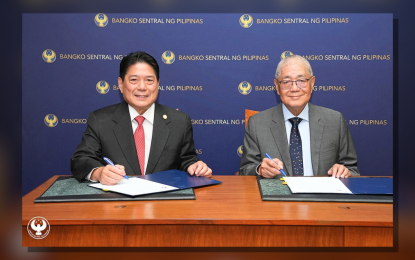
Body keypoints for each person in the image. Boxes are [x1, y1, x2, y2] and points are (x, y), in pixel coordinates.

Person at [71, 51, 212, 184]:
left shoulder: (179, 121)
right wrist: (99, 172)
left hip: (165, 202)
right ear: (121, 84)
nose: (142, 87)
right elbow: (81, 159)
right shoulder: (100, 120)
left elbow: (186, 159)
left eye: (149, 80)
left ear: (158, 84)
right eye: (134, 80)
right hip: (117, 202)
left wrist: (195, 167)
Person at [239, 54, 359, 178]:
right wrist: (260, 170)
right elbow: (245, 170)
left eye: (301, 81)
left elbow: (352, 169)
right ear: (277, 86)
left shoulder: (335, 120)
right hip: (277, 196)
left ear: (312, 83)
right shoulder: (257, 123)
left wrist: (344, 171)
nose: (294, 88)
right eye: (286, 82)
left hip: (323, 196)